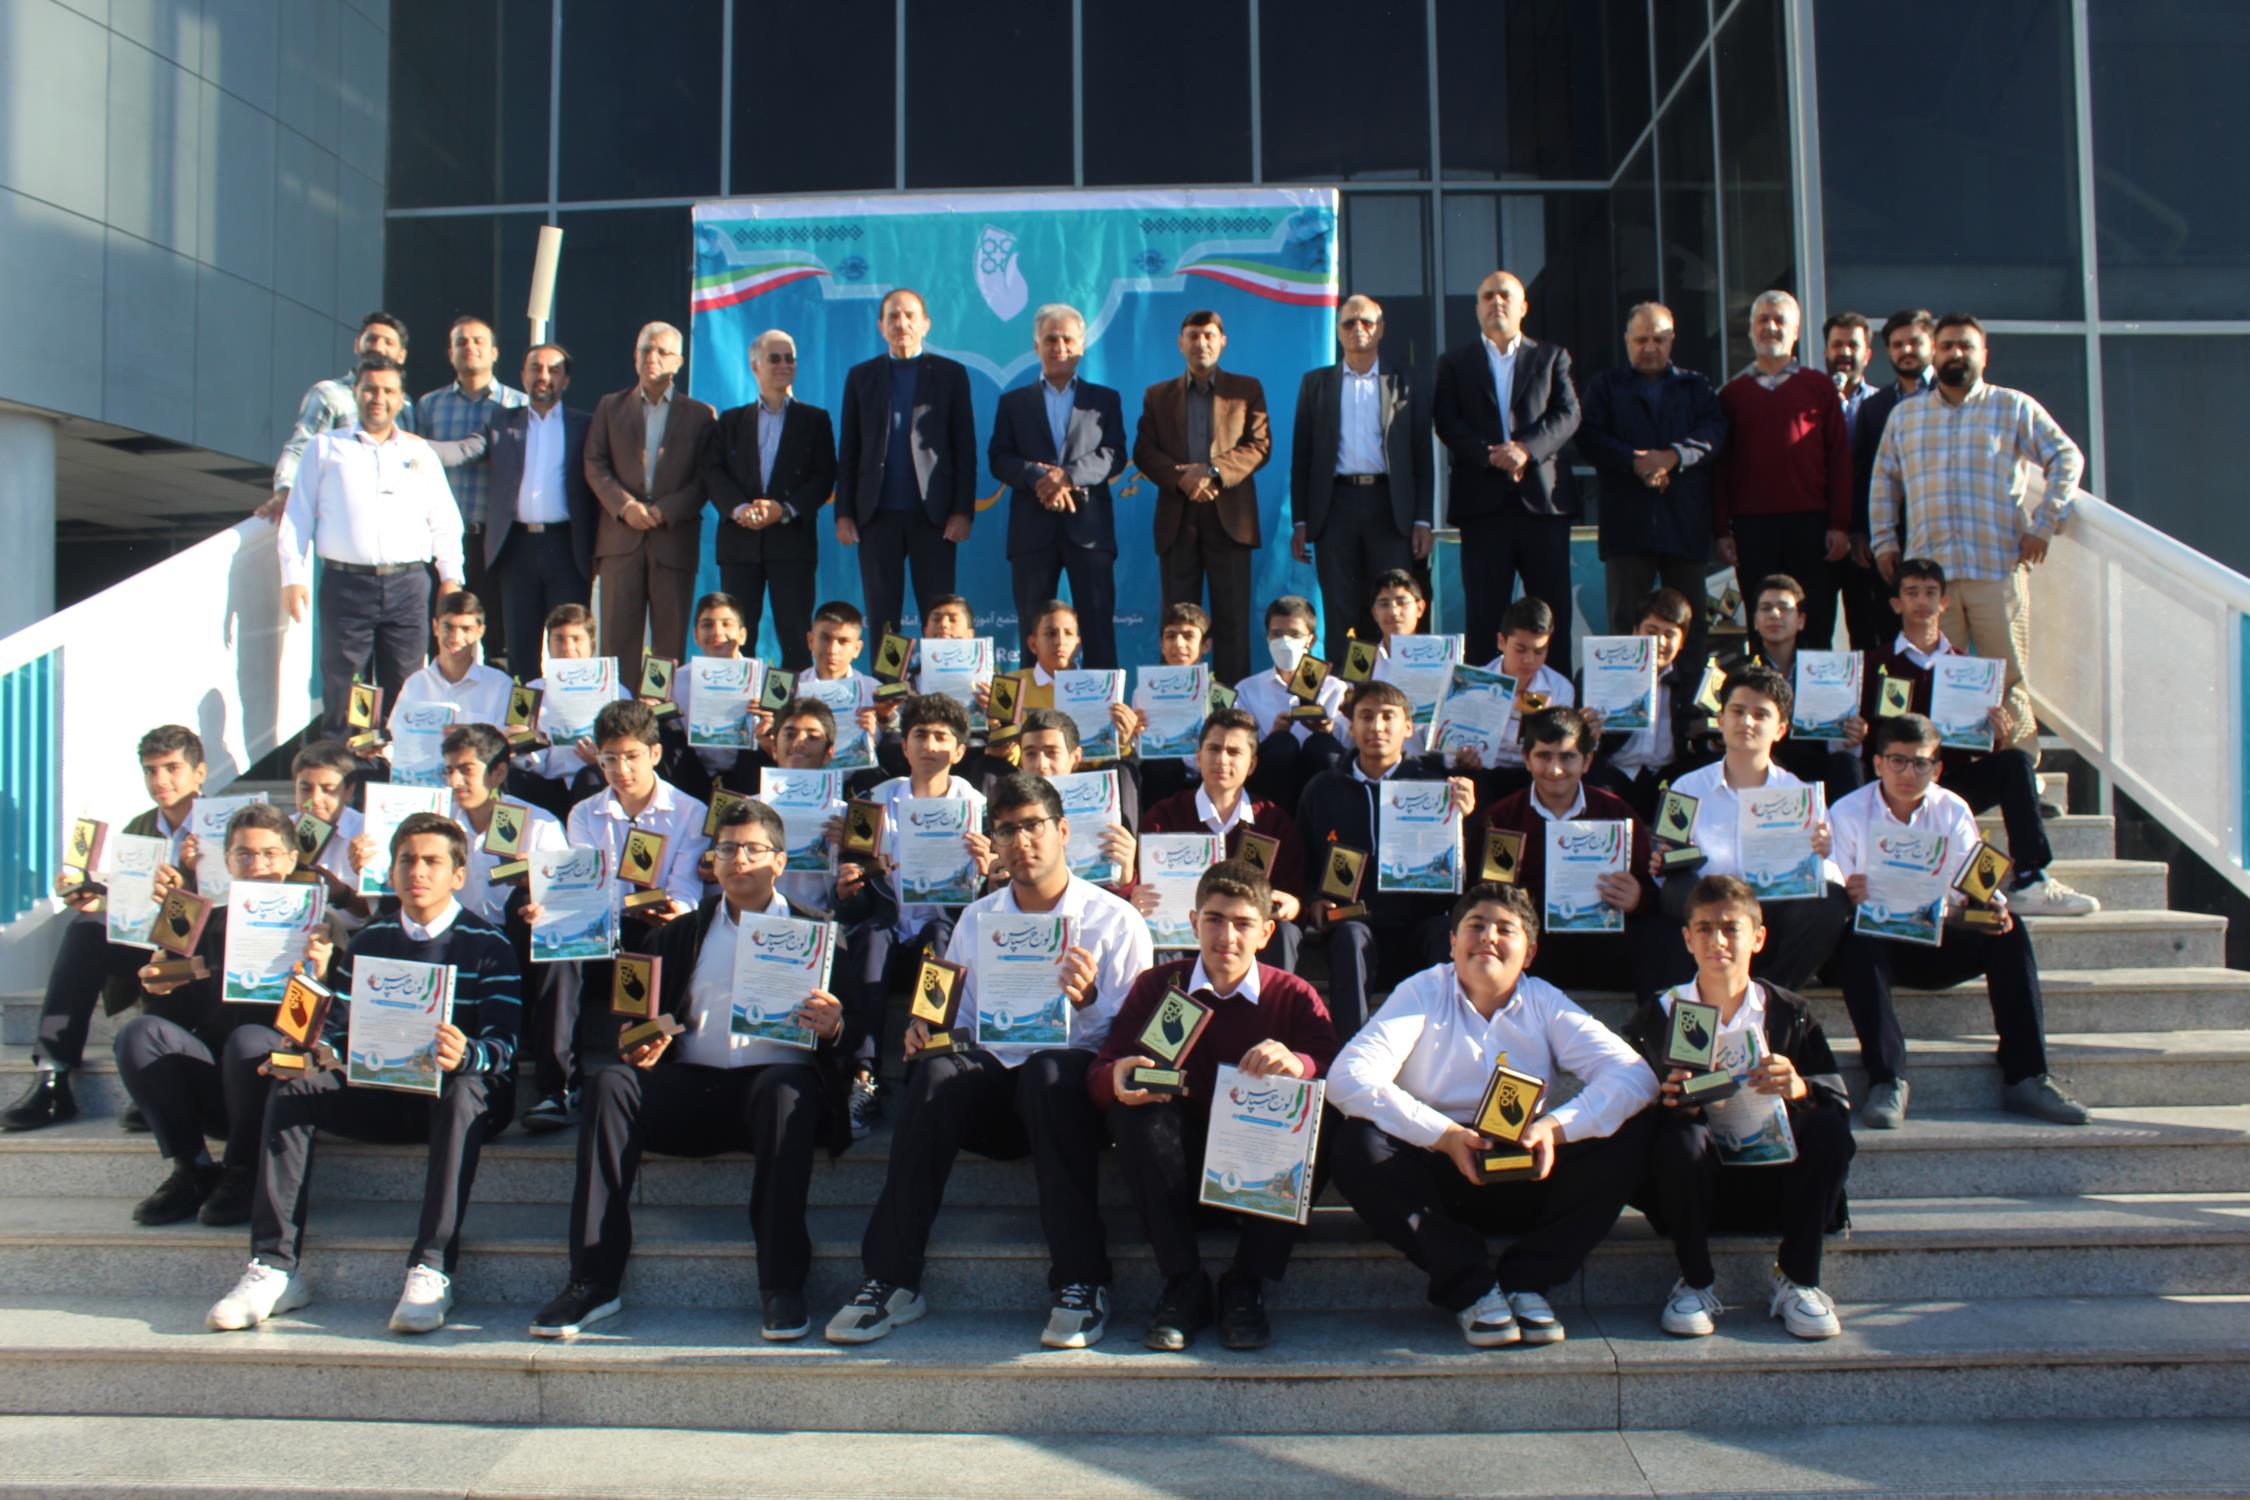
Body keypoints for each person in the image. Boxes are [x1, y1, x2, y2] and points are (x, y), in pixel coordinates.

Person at [827, 772, 1152, 1350]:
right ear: (993, 842)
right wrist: (929, 1033)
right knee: (935, 1073)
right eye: (1006, 831)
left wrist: (1090, 999)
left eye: (1033, 827)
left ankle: (1081, 1280)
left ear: (1062, 831)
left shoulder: (1115, 919)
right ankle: (891, 1278)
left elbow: (1131, 1041)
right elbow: (966, 1023)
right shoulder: (978, 919)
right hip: (999, 1091)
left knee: (1050, 1071)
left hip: (1069, 1098)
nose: (1021, 842)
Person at [530, 798, 852, 1342]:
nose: (738, 859)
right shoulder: (677, 934)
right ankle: (593, 1281)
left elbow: (856, 1033)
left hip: (775, 1092)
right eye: (726, 849)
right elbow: (639, 1021)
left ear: (780, 861)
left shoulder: (821, 933)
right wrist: (640, 1045)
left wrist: (835, 1028)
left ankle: (782, 1285)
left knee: (785, 1088)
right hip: (695, 1085)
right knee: (612, 1084)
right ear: (713, 862)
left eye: (753, 849)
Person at [204, 813, 521, 1336]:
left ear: (459, 875)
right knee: (294, 1084)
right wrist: (319, 1052)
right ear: (391, 872)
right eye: (407, 860)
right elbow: (343, 1031)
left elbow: (505, 1045)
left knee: (465, 1090)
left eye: (432, 861)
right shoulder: (371, 940)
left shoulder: (489, 944)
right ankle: (274, 1267)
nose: (417, 871)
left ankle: (432, 1266)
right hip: (382, 1090)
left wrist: (467, 1052)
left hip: (455, 1097)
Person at [1327, 884, 1658, 1348]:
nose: (1487, 937)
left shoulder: (1544, 1000)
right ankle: (1472, 1288)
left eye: (1505, 929)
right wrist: (1445, 1135)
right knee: (1355, 1144)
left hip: (1526, 1166)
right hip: (1442, 1177)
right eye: (1475, 926)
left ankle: (1528, 1281)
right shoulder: (1422, 991)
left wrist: (1554, 1129)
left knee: (1633, 1127)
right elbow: (1348, 1076)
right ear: (1452, 943)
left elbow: (1635, 1076)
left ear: (1530, 953)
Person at [1092, 861, 1340, 1350]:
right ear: (1193, 923)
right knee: (1137, 1110)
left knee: (1320, 1110)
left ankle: (1246, 1282)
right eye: (1214, 919)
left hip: (1259, 1177)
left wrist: (1302, 1063)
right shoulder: (1158, 985)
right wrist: (1114, 1078)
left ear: (1266, 933)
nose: (1227, 936)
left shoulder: (1293, 995)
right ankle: (1183, 1281)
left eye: (1243, 923)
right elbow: (1104, 1067)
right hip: (1177, 1174)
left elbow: (1339, 1069)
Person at [1830, 714, 2092, 1130]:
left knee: (2009, 932)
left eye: (1921, 763)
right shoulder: (1847, 812)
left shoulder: (1952, 810)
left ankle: (2026, 1076)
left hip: (1936, 936)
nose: (1908, 773)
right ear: (1878, 764)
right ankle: (1887, 1080)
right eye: (1897, 761)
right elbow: (1836, 888)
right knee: (1858, 940)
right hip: (1877, 946)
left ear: (1937, 769)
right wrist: (1852, 892)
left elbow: (1969, 888)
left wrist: (1990, 909)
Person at [1622, 874, 1855, 1340]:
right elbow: (1624, 1110)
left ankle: (1798, 1279)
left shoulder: (1789, 1012)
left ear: (1759, 937)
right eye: (1705, 929)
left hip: (1776, 1180)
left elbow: (1837, 1098)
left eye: (1731, 928)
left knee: (1828, 1127)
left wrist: (1800, 1089)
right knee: (1679, 1138)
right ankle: (1696, 1282)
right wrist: (1669, 1101)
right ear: (1687, 939)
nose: (1718, 941)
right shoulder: (1659, 1015)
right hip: (1695, 1187)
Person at [1869, 313, 2081, 759]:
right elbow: (1884, 482)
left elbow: (2066, 457)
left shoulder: (2012, 407)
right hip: (1933, 580)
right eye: (1947, 346)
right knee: (1935, 677)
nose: (1956, 354)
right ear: (1934, 354)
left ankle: (2022, 770)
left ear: (1984, 355)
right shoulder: (1906, 416)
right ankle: (1949, 771)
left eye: (1966, 346)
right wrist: (1884, 542)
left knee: (2009, 678)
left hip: (1996, 567)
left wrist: (2044, 523)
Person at [111, 804, 321, 1225]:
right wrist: (161, 982)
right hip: (215, 1083)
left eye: (270, 854)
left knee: (250, 1039)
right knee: (138, 1034)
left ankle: (244, 1172)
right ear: (226, 861)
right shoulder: (198, 922)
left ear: (291, 859)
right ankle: (193, 1169)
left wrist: (319, 972)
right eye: (244, 854)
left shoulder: (319, 927)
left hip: (274, 1085)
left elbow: (325, 1029)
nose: (257, 866)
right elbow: (168, 1017)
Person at [1864, 559, 2097, 918]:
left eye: (1930, 593)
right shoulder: (1875, 663)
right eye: (1912, 592)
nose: (1922, 601)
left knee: (2015, 761)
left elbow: (1977, 748)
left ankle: (2029, 877)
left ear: (1944, 603)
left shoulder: (1969, 668)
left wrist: (1997, 735)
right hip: (1894, 788)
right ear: (1896, 603)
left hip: (1948, 784)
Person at [2, 726, 206, 1131]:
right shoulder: (139, 827)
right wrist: (94, 899)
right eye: (151, 770)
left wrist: (192, 879)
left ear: (199, 772)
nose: (160, 780)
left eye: (172, 768)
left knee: (169, 944)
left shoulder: (226, 822)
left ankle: (160, 1082)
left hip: (204, 949)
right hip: (149, 940)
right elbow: (129, 902)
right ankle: (52, 1075)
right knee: (86, 928)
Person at [527, 701, 711, 1130]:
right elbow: (585, 884)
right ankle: (560, 1088)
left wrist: (672, 909)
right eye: (609, 759)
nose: (620, 769)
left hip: (659, 929)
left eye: (631, 756)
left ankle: (642, 1076)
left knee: (663, 939)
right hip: (604, 929)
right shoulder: (584, 812)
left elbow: (685, 886)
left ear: (655, 754)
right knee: (559, 944)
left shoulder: (690, 811)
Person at [276, 355, 465, 741]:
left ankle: (400, 771)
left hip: (408, 586)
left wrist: (451, 579)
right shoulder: (325, 447)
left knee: (407, 688)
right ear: (356, 394)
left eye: (388, 391)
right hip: (347, 586)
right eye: (370, 390)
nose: (378, 398)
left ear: (400, 399)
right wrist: (292, 576)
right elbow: (297, 517)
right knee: (346, 690)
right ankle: (346, 771)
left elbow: (445, 521)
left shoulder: (419, 453)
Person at [836, 693, 993, 1133]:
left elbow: (985, 903)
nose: (930, 745)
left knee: (943, 934)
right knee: (872, 937)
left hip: (940, 936)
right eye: (920, 735)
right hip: (887, 933)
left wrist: (986, 873)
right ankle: (864, 1074)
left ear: (959, 751)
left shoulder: (979, 810)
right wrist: (851, 886)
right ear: (904, 746)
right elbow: (853, 897)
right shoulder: (872, 803)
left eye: (942, 737)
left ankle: (924, 1060)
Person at [1651, 666, 1849, 994]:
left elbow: (1833, 876)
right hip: (1709, 917)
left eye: (1760, 715)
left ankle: (1768, 996)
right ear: (1721, 719)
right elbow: (1666, 871)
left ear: (1780, 729)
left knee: (1831, 900)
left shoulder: (1801, 796)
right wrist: (1665, 858)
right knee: (1680, 888)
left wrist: (1822, 855)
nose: (1746, 722)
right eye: (1738, 711)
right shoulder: (1687, 787)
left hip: (1770, 920)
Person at [1294, 680, 1477, 1037]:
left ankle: (1451, 1045)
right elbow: (1304, 862)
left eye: (1387, 716)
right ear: (1351, 726)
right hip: (1356, 925)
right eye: (1366, 716)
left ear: (1408, 727)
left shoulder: (1438, 787)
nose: (1376, 727)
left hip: (1419, 925)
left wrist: (1463, 821)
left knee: (1448, 932)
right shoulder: (1322, 789)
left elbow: (1464, 874)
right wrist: (1314, 900)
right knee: (1349, 936)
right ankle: (1350, 1053)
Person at [1433, 270, 1582, 666]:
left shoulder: (1551, 357)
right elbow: (1447, 421)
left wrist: (1526, 450)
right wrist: (1491, 455)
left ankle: (1554, 698)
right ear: (1477, 308)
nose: (1496, 302)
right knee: (1485, 616)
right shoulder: (1454, 363)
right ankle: (1486, 698)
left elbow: (1568, 414)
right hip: (1483, 506)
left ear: (1523, 307)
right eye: (1487, 296)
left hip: (1542, 505)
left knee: (1551, 613)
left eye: (1505, 295)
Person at [1472, 706, 1666, 1001]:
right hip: (1533, 945)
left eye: (1567, 757)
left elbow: (1652, 889)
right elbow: (1483, 892)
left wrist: (1638, 898)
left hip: (1604, 940)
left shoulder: (1617, 814)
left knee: (1658, 936)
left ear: (1587, 761)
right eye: (1544, 756)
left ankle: (1652, 1024)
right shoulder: (1503, 818)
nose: (1555, 769)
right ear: (1526, 759)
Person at [1289, 294, 1433, 663]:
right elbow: (1302, 457)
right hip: (1336, 505)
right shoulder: (1316, 383)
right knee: (1341, 609)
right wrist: (1301, 520)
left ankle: (1392, 686)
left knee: (1391, 604)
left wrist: (1422, 519)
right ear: (1338, 331)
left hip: (1390, 506)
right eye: (1349, 323)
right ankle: (1348, 690)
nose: (1358, 329)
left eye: (1367, 322)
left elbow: (1421, 454)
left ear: (1381, 329)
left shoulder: (1405, 380)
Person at [436, 344, 595, 675]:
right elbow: (464, 450)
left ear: (565, 380)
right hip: (517, 548)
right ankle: (523, 710)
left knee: (569, 641)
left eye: (553, 370)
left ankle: (569, 707)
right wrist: (407, 445)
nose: (543, 376)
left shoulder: (585, 425)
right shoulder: (502, 422)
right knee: (520, 644)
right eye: (536, 368)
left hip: (567, 548)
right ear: (523, 376)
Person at [1133, 310, 1272, 685]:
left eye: (1209, 335)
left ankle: (1231, 706)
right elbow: (1144, 452)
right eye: (1193, 336)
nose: (1201, 343)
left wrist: (1212, 472)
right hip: (1177, 518)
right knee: (1178, 622)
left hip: (1230, 519)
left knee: (1232, 621)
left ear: (1222, 342)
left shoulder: (1246, 389)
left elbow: (1259, 446)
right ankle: (1175, 702)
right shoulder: (1157, 395)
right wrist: (1184, 480)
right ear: (1180, 343)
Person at [1576, 302, 1727, 647]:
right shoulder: (1606, 387)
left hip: (1684, 521)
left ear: (1671, 340)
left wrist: (1673, 457)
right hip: (1627, 524)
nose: (1649, 347)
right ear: (1626, 340)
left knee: (1689, 623)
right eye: (1641, 339)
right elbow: (1588, 436)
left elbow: (1714, 432)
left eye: (1658, 339)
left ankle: (1687, 686)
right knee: (1625, 623)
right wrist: (1635, 461)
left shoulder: (1696, 387)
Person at [988, 303, 1129, 669]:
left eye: (1068, 339)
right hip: (1031, 531)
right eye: (1051, 339)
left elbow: (1114, 454)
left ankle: (1102, 703)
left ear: (1081, 346)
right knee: (1033, 631)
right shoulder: (1013, 403)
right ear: (1036, 346)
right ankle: (1034, 705)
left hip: (1090, 530)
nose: (1059, 347)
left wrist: (1066, 476)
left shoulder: (1105, 400)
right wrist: (1039, 477)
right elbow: (999, 458)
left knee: (1098, 628)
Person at [836, 289, 977, 639]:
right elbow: (849, 449)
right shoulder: (861, 377)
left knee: (939, 615)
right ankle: (890, 677)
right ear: (881, 326)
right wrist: (844, 513)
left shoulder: (951, 375)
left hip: (935, 517)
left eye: (910, 316)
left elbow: (964, 448)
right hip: (876, 516)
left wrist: (963, 511)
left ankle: (939, 675)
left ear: (926, 324)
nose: (902, 323)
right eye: (893, 317)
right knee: (884, 617)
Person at [1713, 290, 1850, 651]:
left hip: (1812, 525)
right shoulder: (1732, 395)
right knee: (1763, 625)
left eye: (1779, 321)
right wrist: (1721, 529)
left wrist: (1839, 523)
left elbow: (1839, 458)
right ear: (1751, 329)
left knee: (1814, 622)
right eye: (1763, 320)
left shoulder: (1818, 387)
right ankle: (1765, 688)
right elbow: (1721, 468)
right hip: (1752, 528)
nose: (1770, 327)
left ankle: (1813, 690)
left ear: (1796, 331)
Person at [584, 321, 718, 689]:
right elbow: (594, 463)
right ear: (635, 356)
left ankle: (660, 715)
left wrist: (666, 510)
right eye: (645, 350)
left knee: (668, 646)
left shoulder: (700, 415)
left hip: (672, 540)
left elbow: (706, 477)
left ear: (678, 362)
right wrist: (624, 505)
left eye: (662, 351)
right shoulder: (610, 407)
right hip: (620, 538)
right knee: (616, 641)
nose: (652, 358)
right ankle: (619, 711)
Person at [704, 328, 837, 670]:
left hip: (791, 544)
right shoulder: (731, 421)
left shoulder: (815, 420)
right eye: (775, 358)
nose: (784, 365)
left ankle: (798, 702)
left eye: (790, 358)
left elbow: (823, 477)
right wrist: (739, 509)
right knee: (735, 639)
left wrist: (784, 509)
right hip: (739, 544)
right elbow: (713, 472)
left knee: (795, 638)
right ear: (755, 366)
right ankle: (735, 700)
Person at [1138, 707, 1307, 971]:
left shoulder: (1274, 822)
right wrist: (1135, 894)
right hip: (1183, 932)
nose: (1222, 759)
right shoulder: (1163, 817)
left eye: (1234, 752)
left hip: (1247, 939)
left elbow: (1294, 893)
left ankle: (1271, 1000)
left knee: (1284, 932)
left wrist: (1294, 905)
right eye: (1214, 749)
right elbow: (1142, 884)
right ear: (1198, 757)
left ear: (1252, 764)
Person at [419, 317, 529, 660]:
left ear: (494, 352)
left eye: (478, 341)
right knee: (439, 635)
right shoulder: (430, 406)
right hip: (441, 542)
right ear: (450, 353)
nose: (470, 348)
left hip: (494, 542)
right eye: (462, 342)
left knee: (495, 637)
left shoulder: (517, 406)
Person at [1722, 573, 1866, 805]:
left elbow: (1836, 744)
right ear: (1755, 621)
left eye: (1784, 608)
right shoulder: (1737, 672)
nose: (1774, 614)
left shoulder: (1828, 670)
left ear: (1801, 620)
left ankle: (1846, 828)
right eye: (1766, 608)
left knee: (1847, 764)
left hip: (1813, 763)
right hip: (1758, 762)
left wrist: (1851, 735)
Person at [262, 311, 416, 519]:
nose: (378, 347)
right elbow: (301, 448)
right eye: (372, 339)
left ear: (401, 355)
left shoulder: (406, 405)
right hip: (337, 513)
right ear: (357, 345)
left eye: (388, 342)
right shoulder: (328, 394)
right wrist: (284, 492)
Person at [1582, 587, 1713, 821]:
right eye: (1651, 632)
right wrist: (1585, 731)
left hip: (1668, 776)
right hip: (1613, 770)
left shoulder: (1694, 682)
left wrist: (1715, 741)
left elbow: (1699, 742)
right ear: (1635, 631)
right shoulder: (1596, 674)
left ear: (1682, 641)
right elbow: (1576, 739)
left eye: (1670, 635)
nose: (1659, 642)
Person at [1231, 595, 1347, 809]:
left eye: (1294, 634)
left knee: (1321, 746)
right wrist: (1273, 736)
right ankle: (1271, 821)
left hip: (1320, 782)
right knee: (1282, 744)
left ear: (1311, 640)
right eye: (1277, 634)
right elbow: (1240, 747)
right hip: (1273, 784)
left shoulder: (1336, 689)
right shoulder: (1247, 689)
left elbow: (1349, 745)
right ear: (1267, 637)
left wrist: (1330, 730)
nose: (1284, 642)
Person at [1822, 311, 1889, 658]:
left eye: (1853, 345)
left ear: (1868, 354)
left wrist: (1862, 530)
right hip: (1819, 538)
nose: (1845, 353)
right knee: (1815, 632)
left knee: (1869, 633)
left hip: (1866, 540)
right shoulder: (1812, 402)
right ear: (1826, 351)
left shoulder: (1881, 406)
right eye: (1837, 345)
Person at [1467, 594, 1577, 804]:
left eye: (1539, 651)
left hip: (1534, 775)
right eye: (1520, 649)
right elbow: (1452, 748)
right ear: (1501, 641)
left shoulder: (1560, 688)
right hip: (1484, 772)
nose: (1529, 659)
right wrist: (1462, 757)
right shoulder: (1474, 683)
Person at [384, 590, 514, 745]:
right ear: (435, 627)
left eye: (466, 629)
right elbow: (396, 740)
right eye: (448, 627)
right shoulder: (415, 683)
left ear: (480, 631)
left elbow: (508, 744)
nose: (456, 638)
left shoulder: (500, 685)